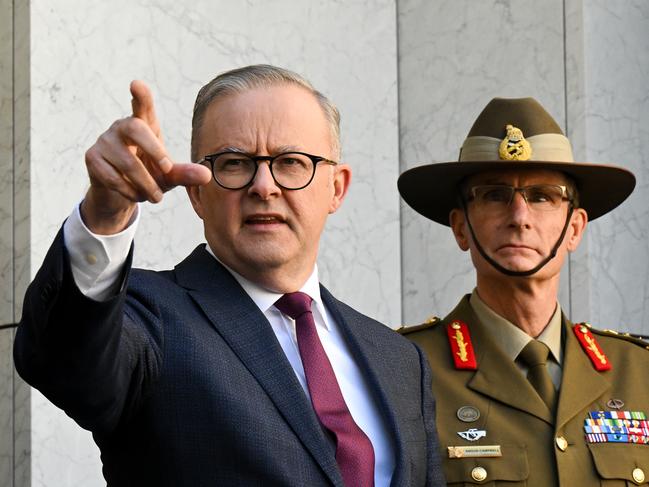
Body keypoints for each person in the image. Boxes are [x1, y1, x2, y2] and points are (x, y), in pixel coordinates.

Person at [14, 65, 444, 487]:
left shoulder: (400, 359)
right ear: (198, 193)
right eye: (235, 163)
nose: (264, 186)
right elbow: (65, 361)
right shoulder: (147, 316)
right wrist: (105, 214)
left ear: (336, 187)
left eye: (292, 162)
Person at [398, 97, 649, 486]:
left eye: (543, 196)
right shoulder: (404, 372)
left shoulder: (639, 372)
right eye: (495, 195)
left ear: (575, 228)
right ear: (461, 227)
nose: (519, 217)